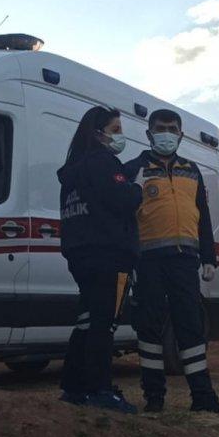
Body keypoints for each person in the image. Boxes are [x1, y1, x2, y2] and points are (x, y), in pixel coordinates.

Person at [125, 109, 219, 414]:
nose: (167, 134)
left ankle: (203, 397)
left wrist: (209, 257)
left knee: (191, 327)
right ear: (149, 134)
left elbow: (203, 215)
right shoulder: (135, 168)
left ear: (181, 135)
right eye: (161, 128)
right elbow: (125, 217)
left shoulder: (192, 170)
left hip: (185, 261)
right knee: (150, 328)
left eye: (172, 129)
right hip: (148, 262)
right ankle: (154, 398)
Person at [57, 105, 142, 413]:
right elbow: (123, 199)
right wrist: (137, 190)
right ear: (98, 133)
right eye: (115, 130)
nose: (120, 137)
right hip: (110, 254)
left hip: (80, 254)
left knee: (87, 320)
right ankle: (100, 390)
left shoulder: (74, 169)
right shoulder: (104, 162)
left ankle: (74, 386)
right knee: (104, 324)